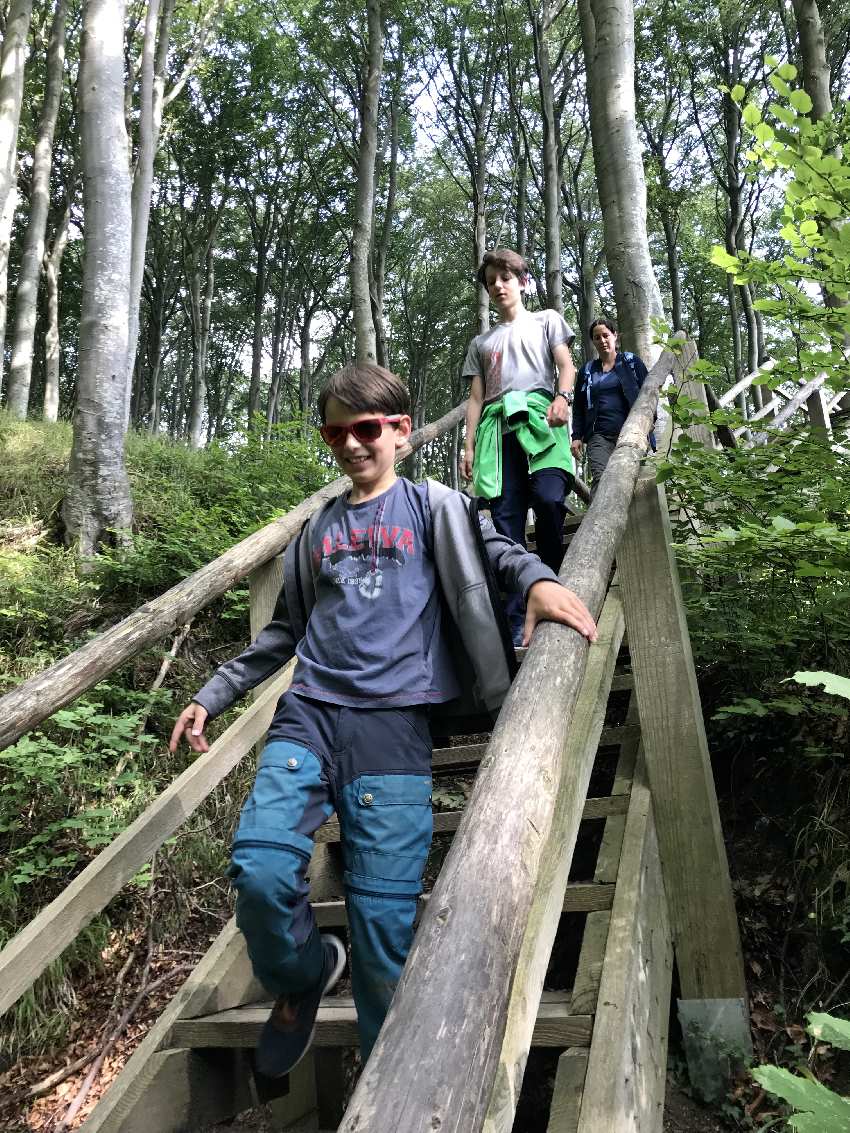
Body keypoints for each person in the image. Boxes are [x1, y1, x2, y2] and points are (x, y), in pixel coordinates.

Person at [169, 362, 597, 1078]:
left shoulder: (436, 508)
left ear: (401, 431)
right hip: (309, 715)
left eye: (366, 429)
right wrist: (212, 692)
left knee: (380, 935)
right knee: (260, 868)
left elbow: (498, 551)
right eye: (336, 432)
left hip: (393, 728)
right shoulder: (316, 528)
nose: (350, 444)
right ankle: (303, 972)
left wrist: (542, 579)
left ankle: (384, 1086)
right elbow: (283, 633)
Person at [461, 248, 577, 646]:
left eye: (505, 278)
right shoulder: (482, 342)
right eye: (491, 281)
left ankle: (552, 578)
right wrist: (469, 447)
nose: (498, 286)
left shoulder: (548, 321)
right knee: (506, 521)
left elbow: (566, 364)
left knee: (547, 498)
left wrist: (564, 398)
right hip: (497, 433)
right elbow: (476, 399)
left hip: (542, 419)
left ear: (522, 281)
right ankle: (515, 620)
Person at [570, 318, 651, 496]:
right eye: (597, 337)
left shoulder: (630, 362)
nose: (602, 340)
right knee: (601, 479)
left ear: (615, 336)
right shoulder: (588, 371)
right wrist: (576, 436)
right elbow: (578, 407)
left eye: (606, 335)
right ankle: (598, 524)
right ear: (593, 341)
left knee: (637, 482)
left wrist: (648, 421)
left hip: (632, 433)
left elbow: (649, 394)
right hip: (599, 436)